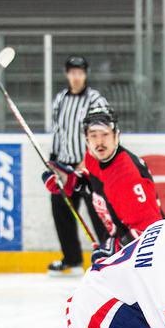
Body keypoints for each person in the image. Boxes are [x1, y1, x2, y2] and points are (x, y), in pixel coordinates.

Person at [44, 104, 165, 328]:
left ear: (117, 135)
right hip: (124, 255)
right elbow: (89, 181)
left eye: (105, 135)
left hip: (148, 259)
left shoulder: (128, 175)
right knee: (99, 312)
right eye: (93, 135)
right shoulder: (94, 156)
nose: (99, 141)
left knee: (106, 312)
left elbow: (150, 233)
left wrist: (112, 248)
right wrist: (67, 183)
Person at [47, 55, 107, 276]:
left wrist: (90, 159)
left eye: (80, 72)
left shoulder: (95, 99)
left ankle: (110, 258)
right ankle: (72, 260)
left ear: (85, 74)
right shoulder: (61, 99)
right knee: (61, 211)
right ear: (67, 74)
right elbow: (57, 131)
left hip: (89, 168)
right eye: (72, 72)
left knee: (99, 213)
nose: (76, 76)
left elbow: (103, 131)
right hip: (64, 167)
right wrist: (53, 161)